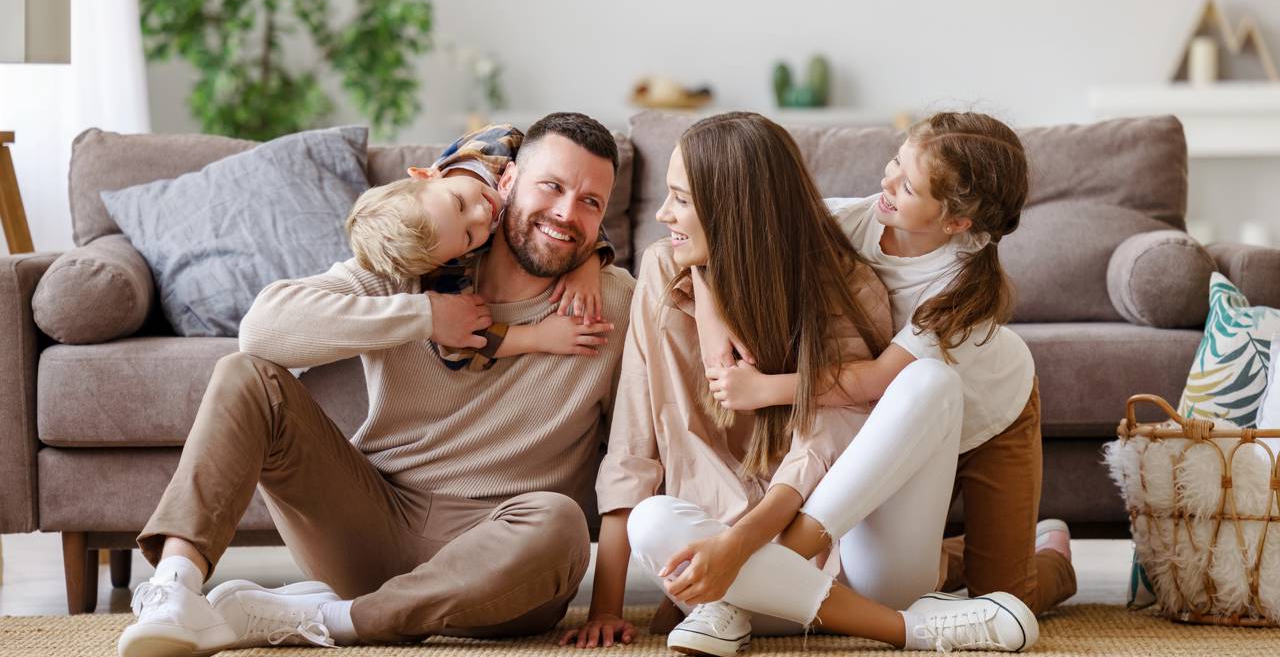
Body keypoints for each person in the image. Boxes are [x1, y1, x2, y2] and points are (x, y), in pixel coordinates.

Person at [118, 112, 635, 657]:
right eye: (551, 186)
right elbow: (262, 330)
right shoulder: (422, 256)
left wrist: (609, 606)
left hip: (502, 555)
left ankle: (324, 618)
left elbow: (633, 454)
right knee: (245, 376)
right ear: (506, 184)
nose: (565, 213)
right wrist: (423, 316)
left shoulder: (615, 302)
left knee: (561, 522)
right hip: (374, 517)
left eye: (590, 202)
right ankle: (174, 591)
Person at [563, 112, 1038, 656]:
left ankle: (1008, 575)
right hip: (733, 565)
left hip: (924, 451)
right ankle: (895, 619)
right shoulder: (830, 227)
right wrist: (606, 608)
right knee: (653, 521)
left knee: (1007, 583)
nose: (662, 214)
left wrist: (745, 541)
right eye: (895, 165)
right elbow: (631, 445)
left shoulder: (880, 285)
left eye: (682, 200)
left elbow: (854, 406)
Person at [345, 123, 615, 371]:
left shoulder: (499, 143)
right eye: (468, 236)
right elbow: (459, 348)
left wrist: (588, 264)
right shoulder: (448, 263)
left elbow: (572, 187)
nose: (482, 214)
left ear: (427, 175)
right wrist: (537, 337)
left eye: (459, 203)